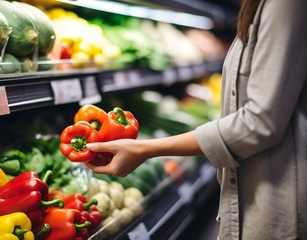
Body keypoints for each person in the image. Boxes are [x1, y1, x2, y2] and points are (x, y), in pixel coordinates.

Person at [84, 0, 307, 239]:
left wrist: (145, 149)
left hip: (276, 196)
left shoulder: (285, 4)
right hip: (253, 192)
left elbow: (260, 123)